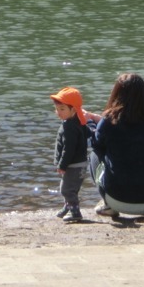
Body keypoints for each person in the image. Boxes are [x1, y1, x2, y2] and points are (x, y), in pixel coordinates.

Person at [87, 73, 144, 219]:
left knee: (94, 154)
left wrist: (90, 124)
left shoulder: (108, 120)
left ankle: (108, 205)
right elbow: (130, 131)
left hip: (119, 198)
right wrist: (100, 122)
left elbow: (96, 143)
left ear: (117, 93)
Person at [49, 87, 90, 222]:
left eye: (62, 109)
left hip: (73, 165)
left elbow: (68, 149)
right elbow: (88, 133)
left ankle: (75, 212)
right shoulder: (79, 122)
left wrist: (62, 165)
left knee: (67, 189)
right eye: (57, 109)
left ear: (73, 110)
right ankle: (68, 207)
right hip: (81, 163)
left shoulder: (69, 127)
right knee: (71, 188)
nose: (58, 112)